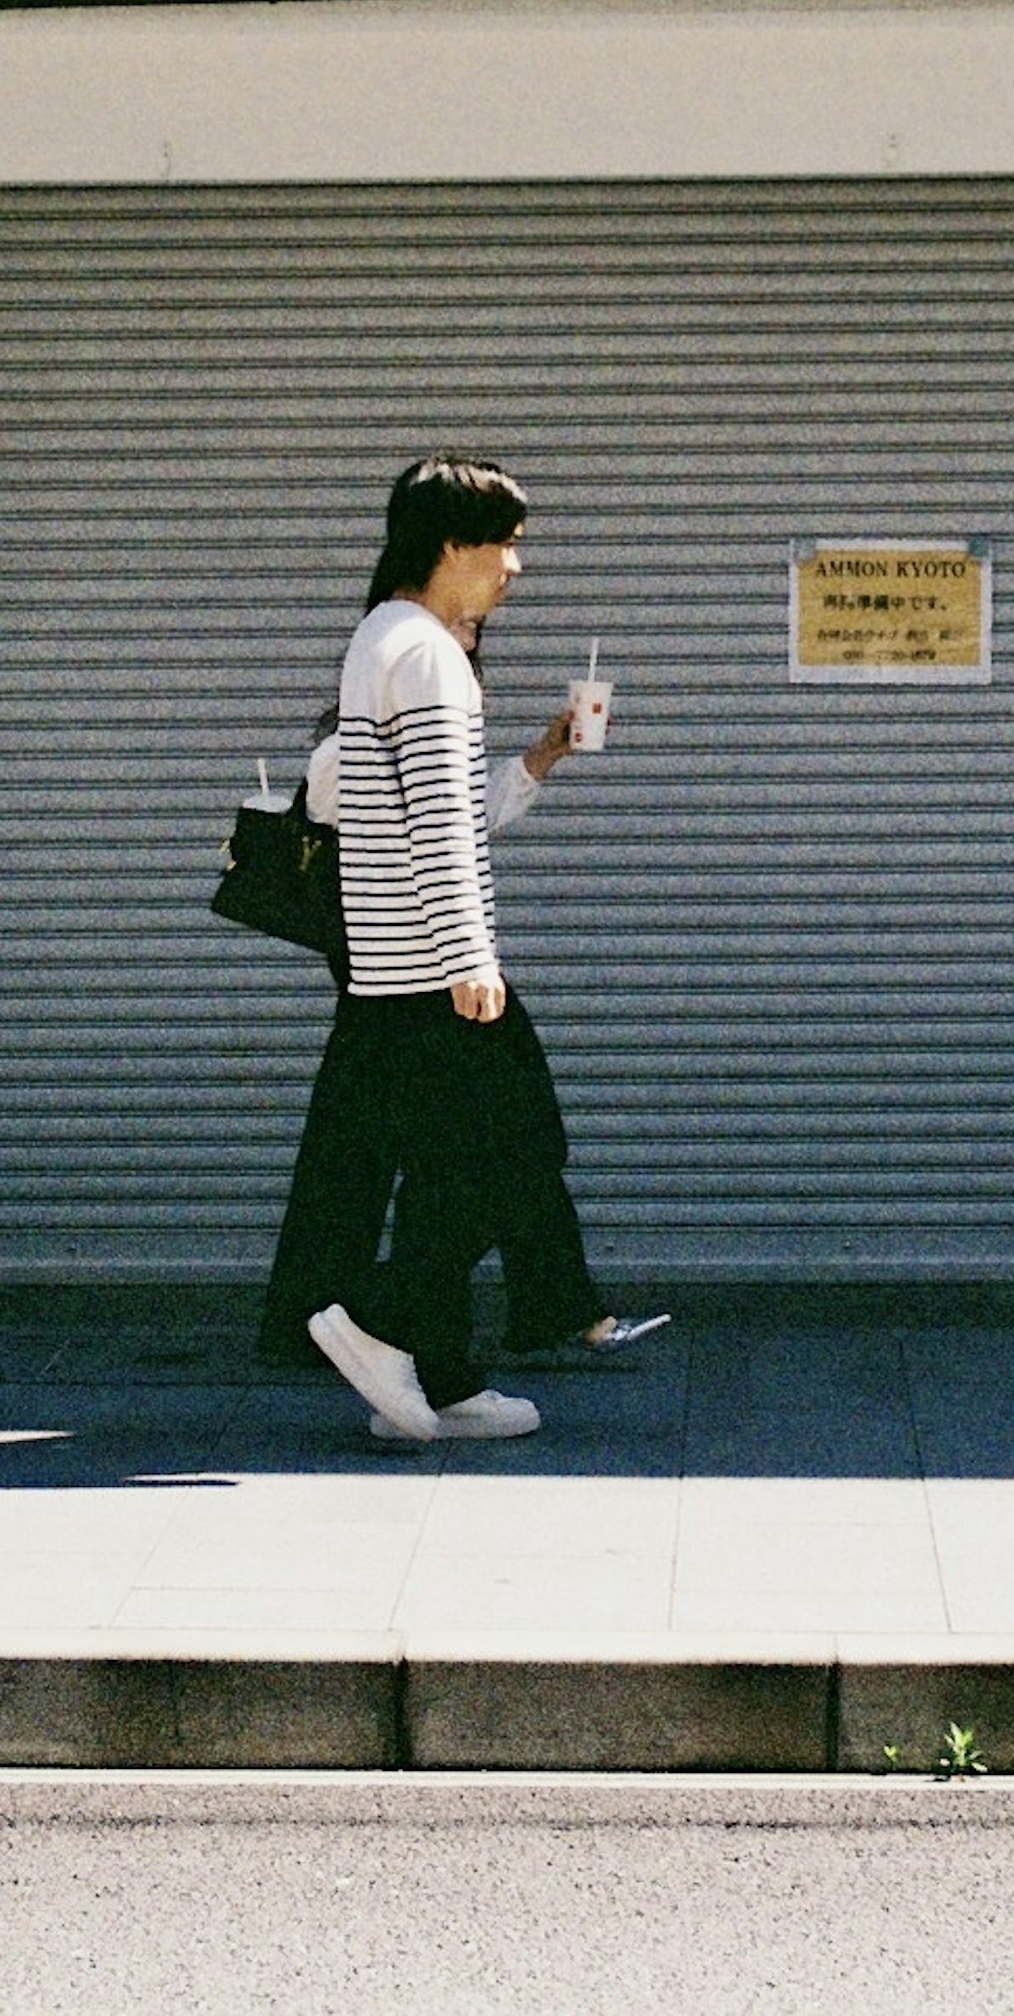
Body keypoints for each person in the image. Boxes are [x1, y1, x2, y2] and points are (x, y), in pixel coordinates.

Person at [299, 456, 656, 1443]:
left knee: (459, 1169)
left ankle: (443, 1381)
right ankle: (378, 1324)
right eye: (505, 543)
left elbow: (415, 806)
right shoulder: (426, 655)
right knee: (515, 1149)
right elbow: (440, 826)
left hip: (396, 966)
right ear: (451, 544)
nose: (515, 566)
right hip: (429, 969)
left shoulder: (390, 638)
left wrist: (539, 757)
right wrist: (469, 957)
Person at [255, 606, 668, 1370]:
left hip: (449, 981)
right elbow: (409, 824)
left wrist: (544, 754)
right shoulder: (352, 748)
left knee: (482, 1151)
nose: (464, 650)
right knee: (452, 1158)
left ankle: (536, 1309)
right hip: (410, 985)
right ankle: (371, 1319)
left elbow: (466, 814)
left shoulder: (425, 737)